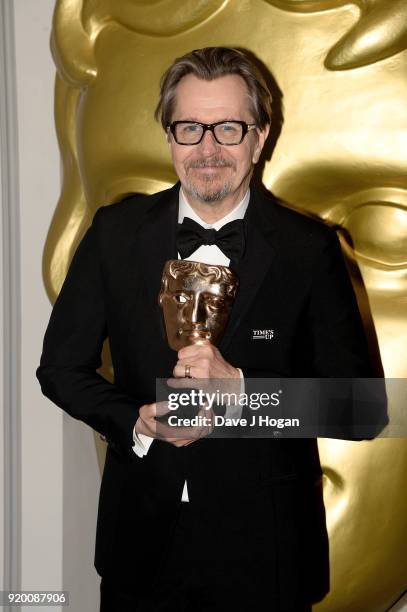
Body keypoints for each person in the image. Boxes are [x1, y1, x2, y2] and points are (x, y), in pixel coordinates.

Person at [36, 47, 381, 611]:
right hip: (139, 545)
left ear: (260, 136)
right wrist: (136, 423)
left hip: (267, 553)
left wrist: (245, 391)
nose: (208, 149)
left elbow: (361, 410)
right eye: (190, 128)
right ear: (169, 135)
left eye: (228, 127)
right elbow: (59, 369)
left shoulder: (308, 249)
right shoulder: (115, 234)